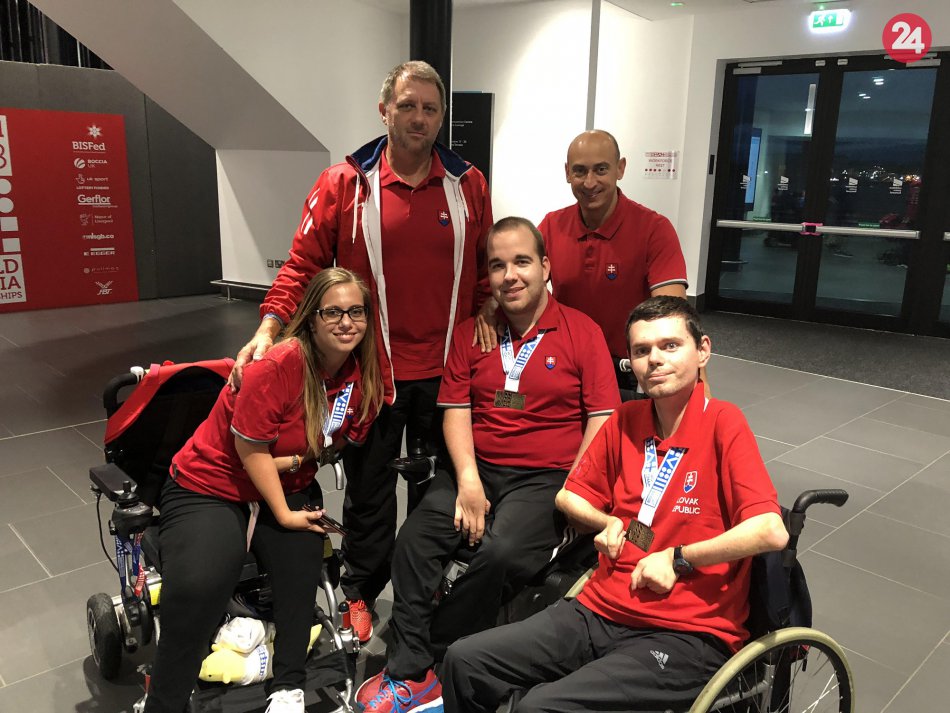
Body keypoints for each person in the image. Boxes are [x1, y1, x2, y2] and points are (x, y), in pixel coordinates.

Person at [231, 60, 493, 642]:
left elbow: (482, 267)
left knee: (439, 493)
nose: (419, 118)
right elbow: (301, 265)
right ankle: (360, 592)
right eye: (408, 106)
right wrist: (270, 327)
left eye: (430, 108)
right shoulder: (344, 183)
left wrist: (487, 314)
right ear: (385, 111)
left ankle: (429, 591)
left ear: (441, 116)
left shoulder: (468, 184)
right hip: (372, 373)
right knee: (370, 490)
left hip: (448, 376)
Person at [441, 296, 789, 713]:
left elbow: (771, 530)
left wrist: (678, 557)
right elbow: (568, 495)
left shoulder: (723, 422)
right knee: (464, 660)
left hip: (685, 631)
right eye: (642, 350)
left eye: (670, 346)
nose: (654, 359)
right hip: (600, 608)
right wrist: (605, 521)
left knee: (539, 707)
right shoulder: (626, 419)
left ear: (702, 351)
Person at [356, 217, 621, 713]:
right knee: (413, 541)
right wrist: (468, 480)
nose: (510, 275)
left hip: (546, 478)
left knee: (501, 554)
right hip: (478, 467)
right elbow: (456, 410)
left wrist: (575, 487)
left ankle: (437, 658)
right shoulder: (471, 334)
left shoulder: (582, 332)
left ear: (546, 267)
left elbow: (603, 418)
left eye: (522, 262)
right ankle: (410, 672)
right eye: (498, 266)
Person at [144, 268, 383, 713]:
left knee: (302, 563)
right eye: (332, 312)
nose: (346, 322)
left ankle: (288, 686)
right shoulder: (279, 364)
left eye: (356, 311)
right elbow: (250, 451)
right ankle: (165, 702)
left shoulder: (362, 374)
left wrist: (298, 467)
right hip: (211, 483)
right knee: (200, 583)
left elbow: (340, 440)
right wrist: (289, 495)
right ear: (311, 318)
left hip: (285, 484)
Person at [540, 130, 690, 399]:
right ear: (567, 173)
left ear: (620, 169)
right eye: (580, 171)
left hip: (629, 369)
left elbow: (673, 316)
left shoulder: (654, 229)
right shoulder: (551, 226)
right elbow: (522, 283)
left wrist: (696, 380)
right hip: (565, 362)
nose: (589, 182)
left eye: (601, 170)